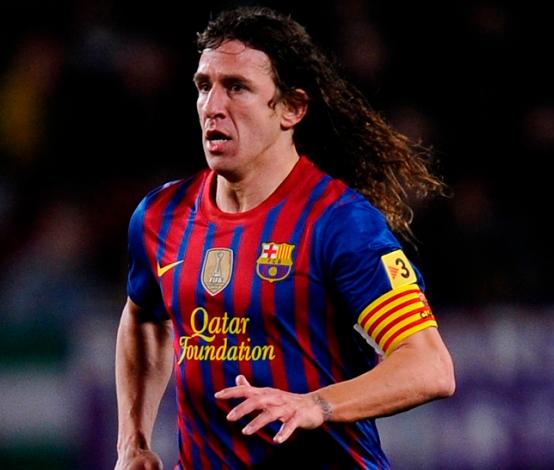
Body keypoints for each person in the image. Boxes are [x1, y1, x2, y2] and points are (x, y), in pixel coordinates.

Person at [115, 6, 455, 469]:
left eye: (237, 87)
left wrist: (315, 405)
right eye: (204, 86)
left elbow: (429, 366)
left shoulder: (338, 223)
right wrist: (133, 442)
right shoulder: (162, 216)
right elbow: (143, 316)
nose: (213, 106)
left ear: (292, 108)